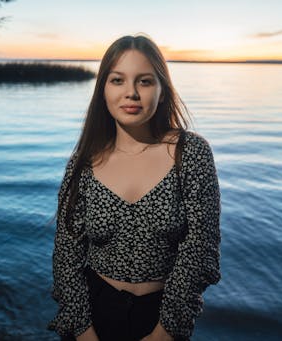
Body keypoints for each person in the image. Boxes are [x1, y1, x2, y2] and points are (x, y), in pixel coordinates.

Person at [47, 34, 221, 341]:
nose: (131, 93)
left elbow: (200, 251)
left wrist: (165, 331)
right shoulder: (84, 162)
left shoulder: (190, 153)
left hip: (162, 316)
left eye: (144, 81)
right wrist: (84, 331)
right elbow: (66, 254)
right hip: (92, 313)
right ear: (102, 90)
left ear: (163, 90)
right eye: (117, 80)